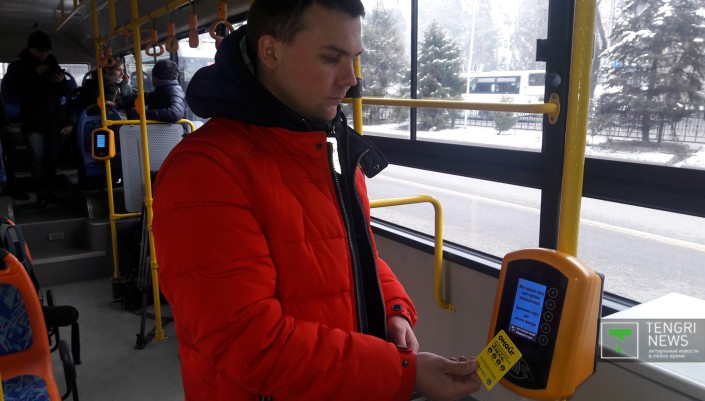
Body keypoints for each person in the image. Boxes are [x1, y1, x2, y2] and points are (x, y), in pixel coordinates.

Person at [152, 1, 481, 400]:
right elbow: (248, 342)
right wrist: (402, 374)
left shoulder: (328, 149)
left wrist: (392, 308)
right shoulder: (205, 171)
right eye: (331, 58)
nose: (351, 80)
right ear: (271, 52)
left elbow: (354, 253)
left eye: (354, 59)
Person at [2, 31, 72, 208]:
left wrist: (62, 82)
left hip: (53, 120)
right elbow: (10, 89)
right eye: (40, 51)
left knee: (52, 159)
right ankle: (41, 193)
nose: (44, 55)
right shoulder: (18, 67)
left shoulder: (53, 65)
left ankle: (51, 191)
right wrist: (34, 74)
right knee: (37, 159)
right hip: (33, 121)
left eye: (47, 51)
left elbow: (66, 92)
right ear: (31, 49)